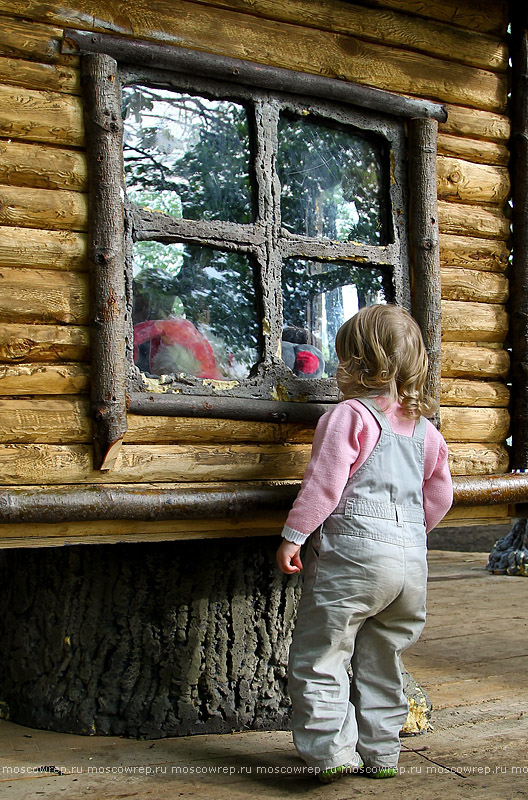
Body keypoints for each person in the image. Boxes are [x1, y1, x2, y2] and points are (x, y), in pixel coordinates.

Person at [276, 304, 453, 783]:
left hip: (355, 558)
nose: (335, 370)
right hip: (411, 563)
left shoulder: (348, 417)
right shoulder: (426, 431)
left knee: (323, 652)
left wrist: (295, 535)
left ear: (360, 365)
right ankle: (382, 753)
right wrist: (408, 535)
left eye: (341, 359)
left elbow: (323, 485)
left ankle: (333, 750)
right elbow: (441, 495)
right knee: (382, 659)